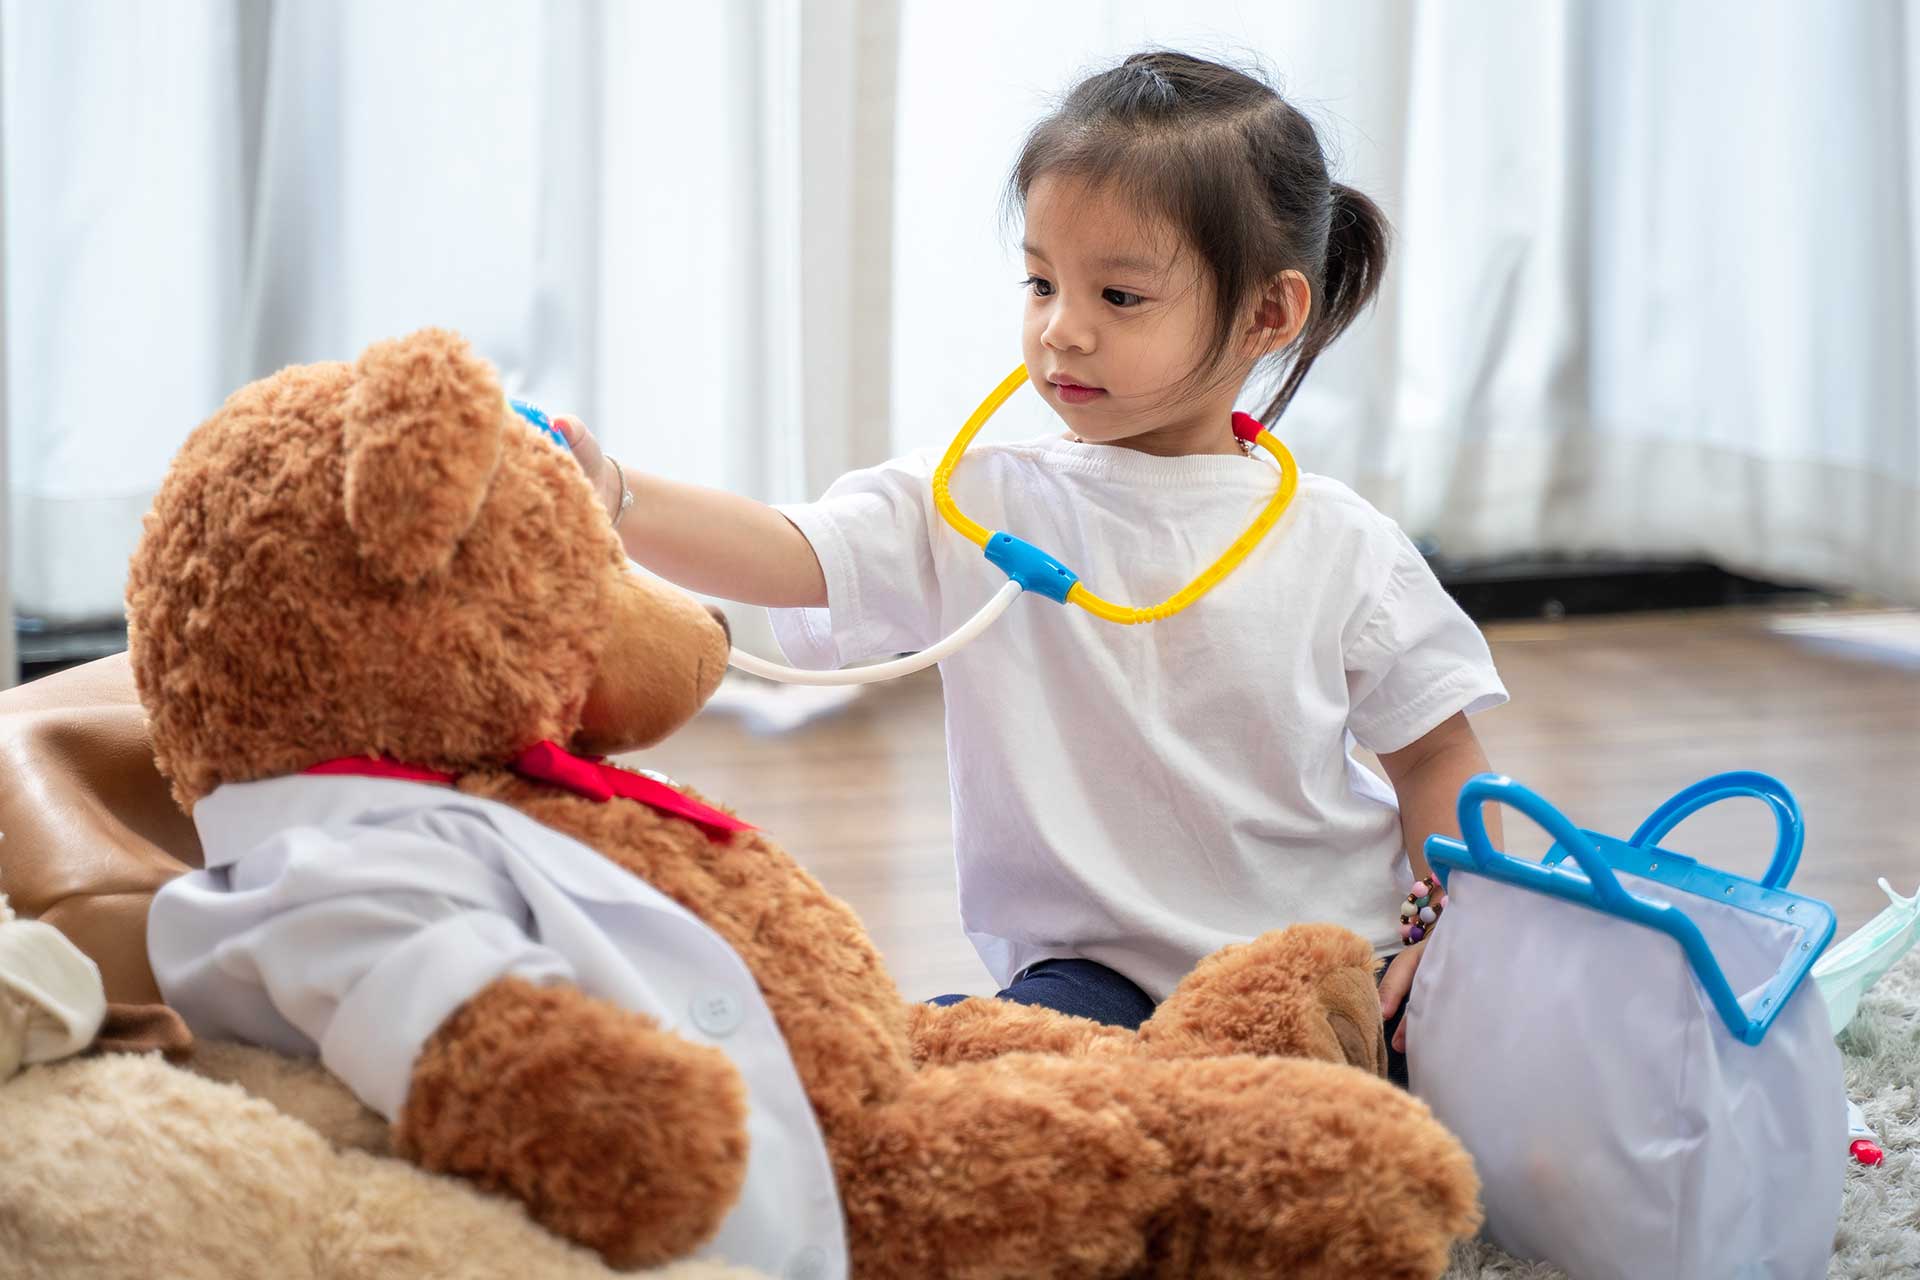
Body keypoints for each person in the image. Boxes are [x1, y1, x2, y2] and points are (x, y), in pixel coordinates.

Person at [560, 51, 1506, 1085]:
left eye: (1121, 293)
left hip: (1319, 966)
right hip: (1092, 974)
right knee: (989, 1081)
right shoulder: (975, 500)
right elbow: (794, 551)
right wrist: (617, 495)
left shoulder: (1342, 545)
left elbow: (1434, 756)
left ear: (1265, 316)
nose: (1063, 326)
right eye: (1043, 280)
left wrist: (1454, 929)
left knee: (1304, 1136)